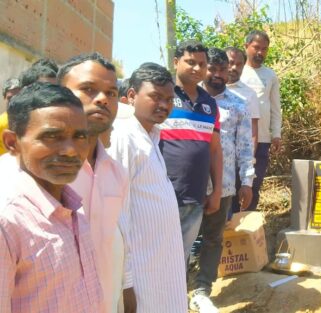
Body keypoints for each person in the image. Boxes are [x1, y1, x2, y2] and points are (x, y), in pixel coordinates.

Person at [0, 83, 102, 312]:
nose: (70, 150)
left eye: (80, 137)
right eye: (52, 136)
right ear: (12, 143)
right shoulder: (7, 220)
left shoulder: (73, 207)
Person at [56, 53, 135, 313]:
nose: (103, 99)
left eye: (111, 93)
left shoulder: (115, 174)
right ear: (58, 94)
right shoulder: (26, 174)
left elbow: (114, 248)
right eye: (88, 89)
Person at [107, 63, 188, 313]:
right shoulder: (123, 137)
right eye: (155, 97)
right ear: (132, 96)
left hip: (162, 269)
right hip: (141, 277)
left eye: (169, 99)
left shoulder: (152, 136)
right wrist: (127, 283)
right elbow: (118, 216)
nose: (164, 105)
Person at [190, 48, 255, 313]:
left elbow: (244, 147)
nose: (217, 75)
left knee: (213, 239)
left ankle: (203, 290)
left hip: (223, 185)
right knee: (183, 236)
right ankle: (176, 285)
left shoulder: (238, 104)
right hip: (188, 185)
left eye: (222, 70)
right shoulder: (187, 100)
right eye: (212, 69)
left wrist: (247, 182)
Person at [160, 40, 223, 263]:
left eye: (202, 64)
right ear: (176, 62)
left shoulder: (210, 103)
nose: (197, 68)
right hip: (161, 196)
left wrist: (216, 192)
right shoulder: (162, 95)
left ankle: (179, 298)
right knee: (156, 259)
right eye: (190, 62)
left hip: (195, 198)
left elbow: (215, 150)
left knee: (181, 260)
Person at [240, 30, 282, 212]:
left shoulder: (270, 76)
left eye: (264, 49)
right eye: (256, 47)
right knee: (235, 184)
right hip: (239, 138)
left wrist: (276, 135)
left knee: (254, 185)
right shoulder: (237, 72)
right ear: (246, 47)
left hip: (262, 139)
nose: (260, 52)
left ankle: (249, 227)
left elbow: (275, 107)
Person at [226, 46, 260, 149]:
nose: (234, 68)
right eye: (231, 63)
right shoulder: (207, 88)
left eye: (239, 64)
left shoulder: (250, 94)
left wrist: (250, 159)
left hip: (237, 157)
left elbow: (253, 130)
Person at [0, 78, 21, 154]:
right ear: (4, 98)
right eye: (10, 98)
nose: (14, 102)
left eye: (18, 97)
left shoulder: (31, 120)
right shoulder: (1, 123)